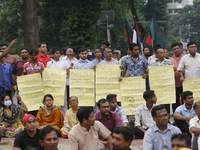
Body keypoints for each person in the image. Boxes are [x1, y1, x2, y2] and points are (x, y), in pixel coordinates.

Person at [169, 42, 184, 112]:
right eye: (174, 49)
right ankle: (176, 116)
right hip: (174, 84)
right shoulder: (169, 60)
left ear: (180, 48)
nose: (176, 50)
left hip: (185, 83)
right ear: (172, 51)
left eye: (177, 48)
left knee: (185, 100)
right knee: (175, 101)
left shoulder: (185, 58)